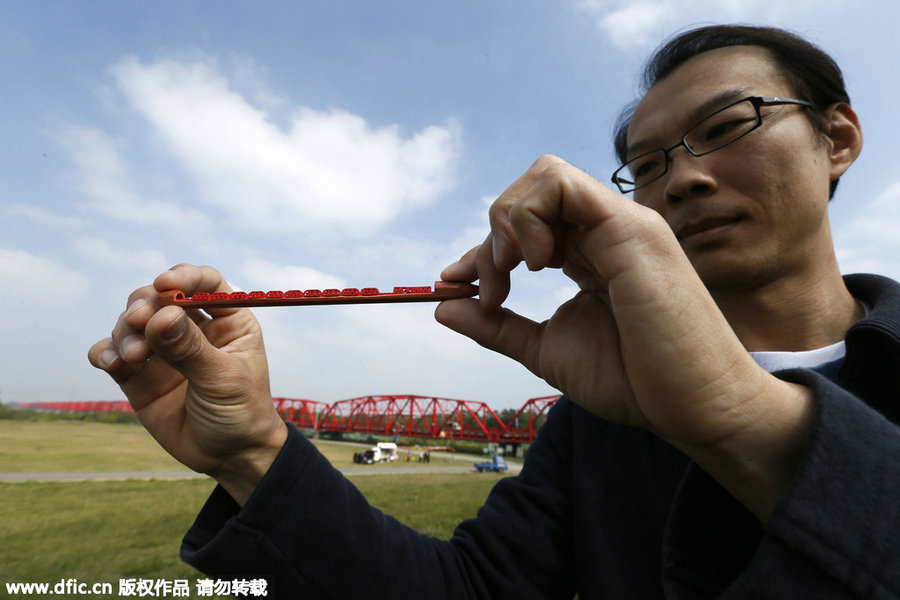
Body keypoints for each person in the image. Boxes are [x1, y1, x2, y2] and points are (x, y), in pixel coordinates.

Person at [88, 24, 900, 599]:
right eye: (646, 166)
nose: (682, 181)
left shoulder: (628, 397)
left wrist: (733, 417)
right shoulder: (598, 416)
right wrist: (253, 452)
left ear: (838, 137)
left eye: (727, 126)